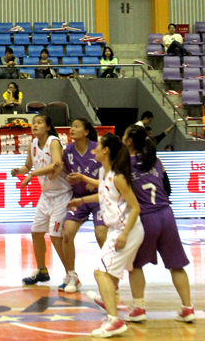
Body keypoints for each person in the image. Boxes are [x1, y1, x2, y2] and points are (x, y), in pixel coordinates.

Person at [67, 133, 144, 338]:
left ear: (106, 150)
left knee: (100, 272)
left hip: (126, 230)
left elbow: (136, 207)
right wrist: (81, 201)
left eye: (98, 146)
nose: (94, 150)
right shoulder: (103, 171)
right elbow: (103, 195)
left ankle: (114, 320)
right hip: (117, 230)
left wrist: (124, 234)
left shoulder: (118, 176)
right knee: (110, 273)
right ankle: (110, 301)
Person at [121, 125, 195, 323]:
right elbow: (168, 188)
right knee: (177, 265)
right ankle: (187, 308)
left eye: (124, 135)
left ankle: (139, 308)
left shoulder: (124, 164)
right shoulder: (156, 160)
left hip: (146, 217)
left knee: (135, 265)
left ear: (129, 142)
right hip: (166, 214)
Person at [12, 115, 73, 287]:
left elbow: (56, 164)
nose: (35, 125)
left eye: (39, 123)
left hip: (62, 195)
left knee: (55, 236)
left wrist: (32, 175)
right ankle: (42, 271)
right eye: (33, 123)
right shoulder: (33, 144)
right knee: (36, 232)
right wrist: (19, 171)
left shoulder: (53, 142)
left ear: (48, 126)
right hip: (46, 195)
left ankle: (71, 274)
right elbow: (27, 166)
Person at [60, 119, 104, 293]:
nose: (72, 129)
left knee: (101, 236)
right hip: (78, 198)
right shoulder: (67, 150)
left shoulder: (98, 148)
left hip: (98, 198)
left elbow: (109, 173)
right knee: (67, 233)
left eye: (76, 127)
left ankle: (110, 275)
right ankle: (72, 276)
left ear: (86, 132)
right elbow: (61, 169)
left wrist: (94, 182)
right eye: (71, 126)